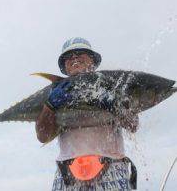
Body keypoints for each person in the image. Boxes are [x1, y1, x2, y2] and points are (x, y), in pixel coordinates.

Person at [36, 37, 138, 191]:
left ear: (93, 61)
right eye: (68, 57)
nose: (74, 58)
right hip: (68, 174)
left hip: (112, 169)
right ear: (65, 66)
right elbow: (42, 136)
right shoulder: (54, 94)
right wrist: (50, 106)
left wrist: (114, 105)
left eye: (80, 53)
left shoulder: (112, 86)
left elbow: (133, 125)